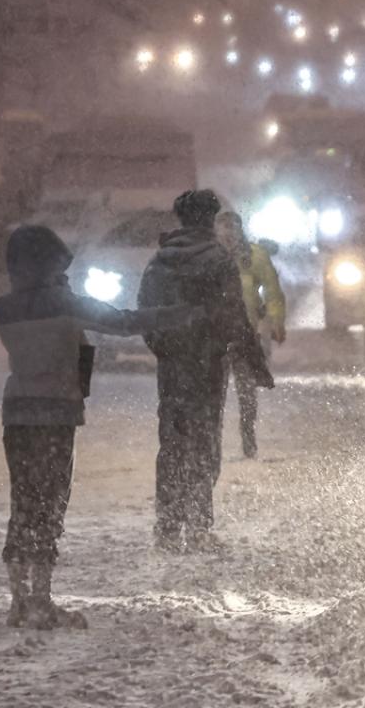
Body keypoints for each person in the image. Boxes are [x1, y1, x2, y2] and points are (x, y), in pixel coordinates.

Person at [0, 225, 194, 629]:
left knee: (23, 502)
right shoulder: (64, 303)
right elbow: (124, 322)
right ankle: (41, 600)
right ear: (48, 264)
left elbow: (46, 333)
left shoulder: (4, 307)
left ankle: (18, 602)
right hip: (55, 415)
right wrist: (181, 313)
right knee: (50, 504)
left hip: (17, 414)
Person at [138, 190, 274, 553]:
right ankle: (198, 527)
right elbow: (235, 317)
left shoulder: (159, 261)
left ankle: (168, 529)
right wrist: (255, 362)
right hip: (208, 366)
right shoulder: (218, 261)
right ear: (209, 220)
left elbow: (144, 313)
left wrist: (164, 348)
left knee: (172, 445)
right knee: (204, 444)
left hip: (173, 368)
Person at [216, 211, 286, 459]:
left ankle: (248, 435)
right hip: (214, 337)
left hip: (245, 334)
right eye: (223, 229)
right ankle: (212, 439)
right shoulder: (208, 257)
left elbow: (272, 291)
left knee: (247, 391)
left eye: (232, 229)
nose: (228, 235)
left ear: (239, 230)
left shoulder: (255, 256)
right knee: (215, 392)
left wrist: (276, 320)